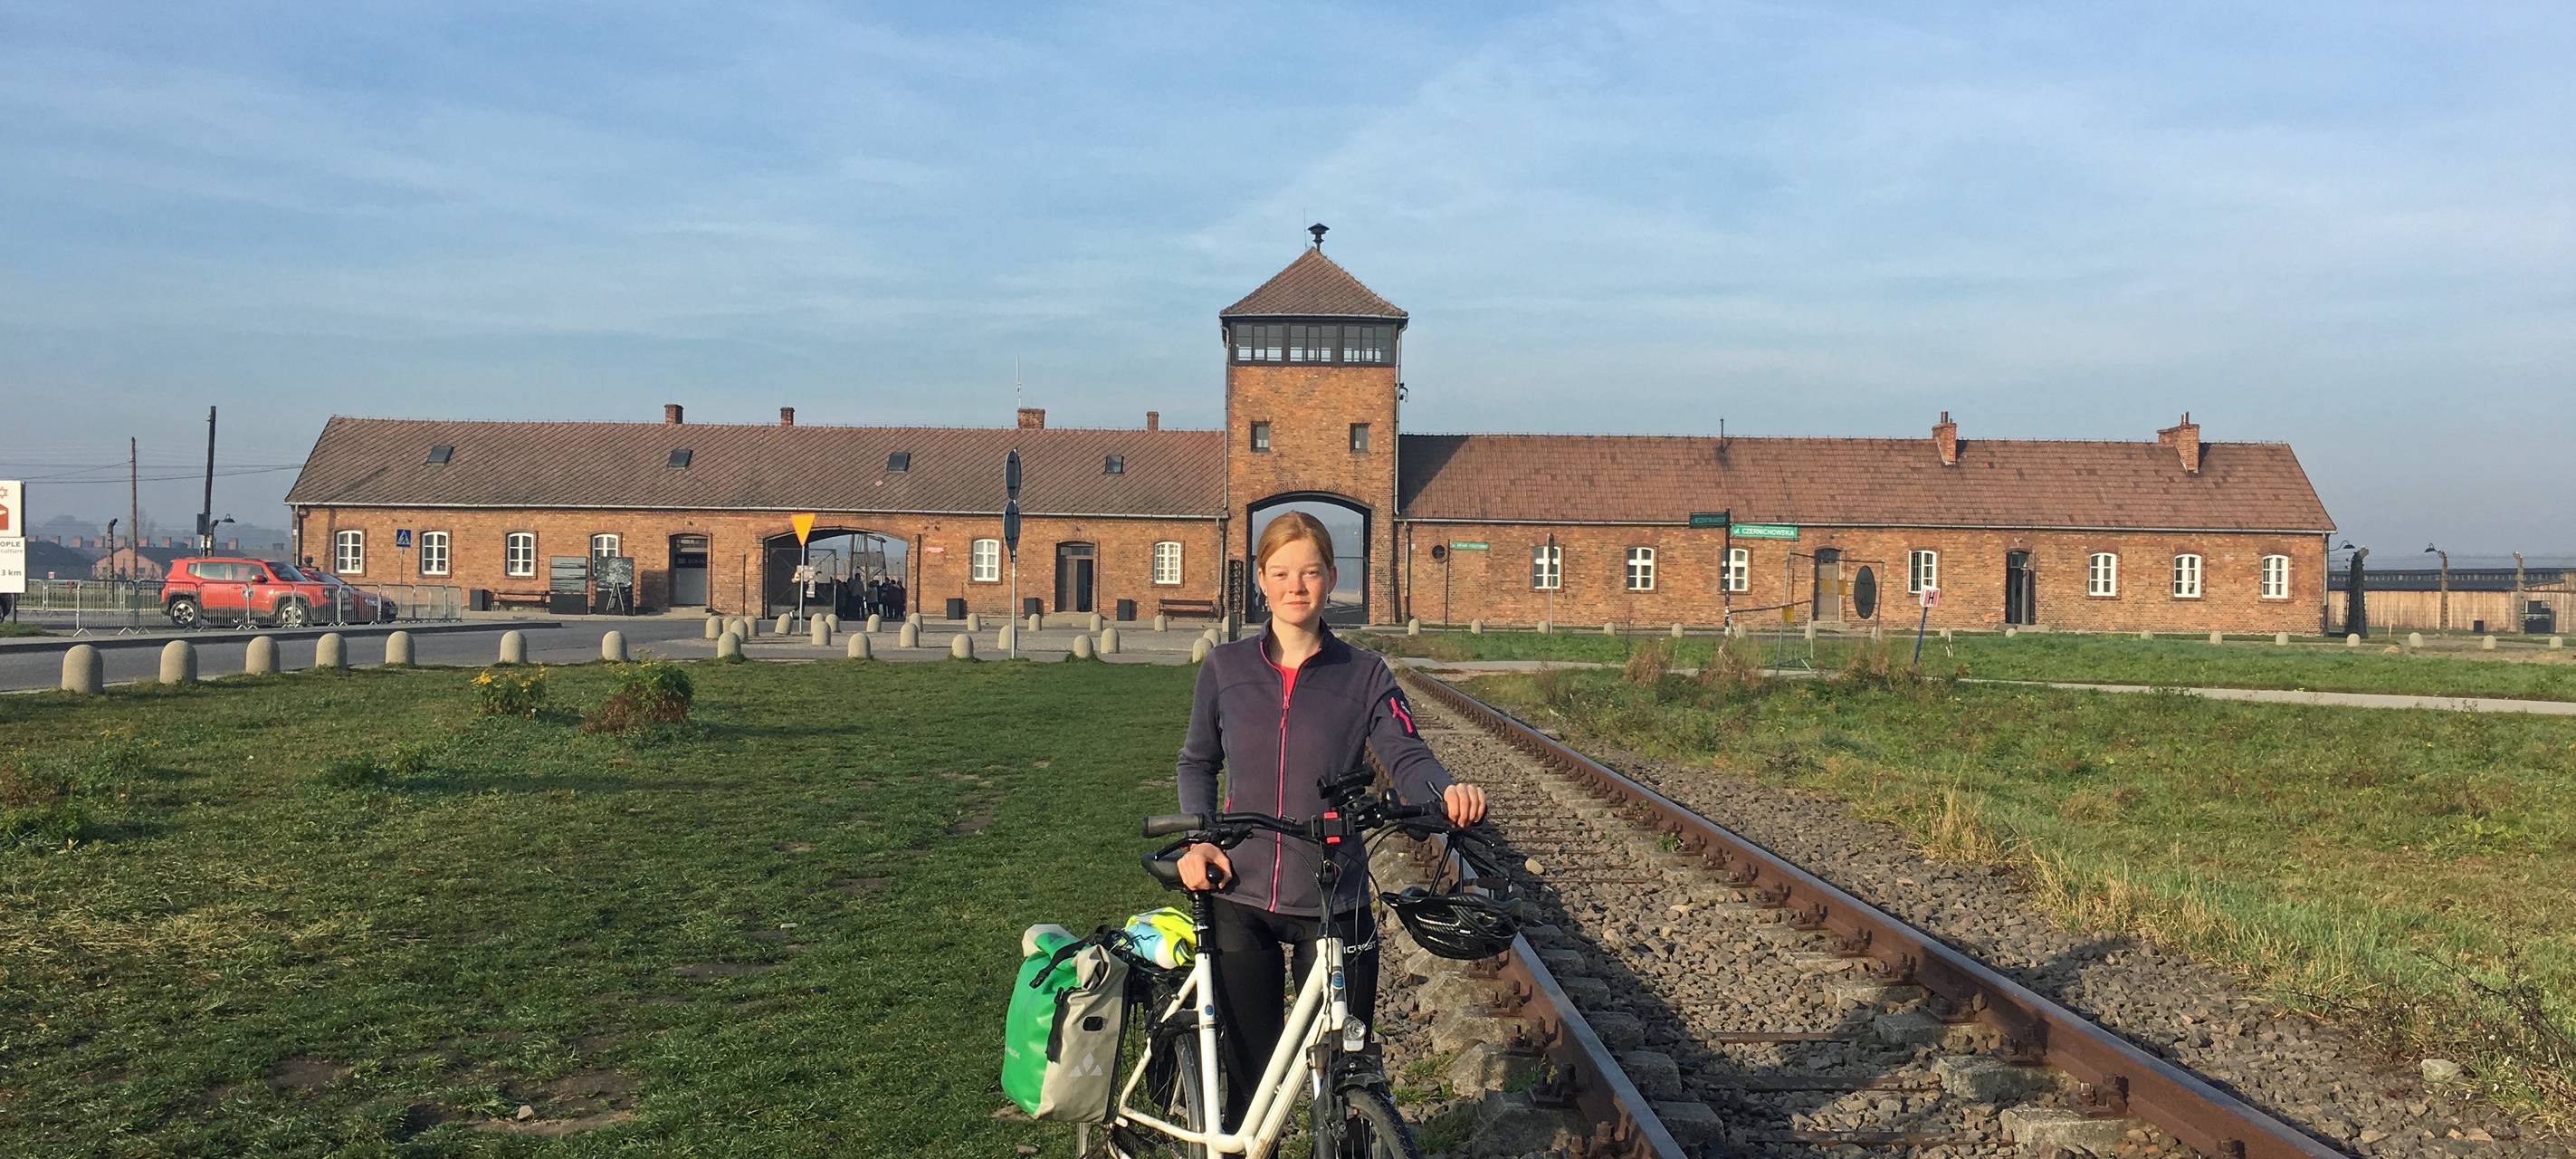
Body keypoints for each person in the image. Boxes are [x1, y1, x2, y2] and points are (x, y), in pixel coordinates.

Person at [1173, 512, 1488, 1124]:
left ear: (1332, 580)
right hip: (1241, 894)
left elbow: (1405, 752)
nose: (1297, 586)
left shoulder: (1365, 674)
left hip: (1335, 897)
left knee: (1345, 1073)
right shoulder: (1225, 668)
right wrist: (1199, 840)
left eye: (1310, 573)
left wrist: (1446, 793)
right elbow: (1196, 762)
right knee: (1250, 1084)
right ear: (1261, 580)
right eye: (1282, 573)